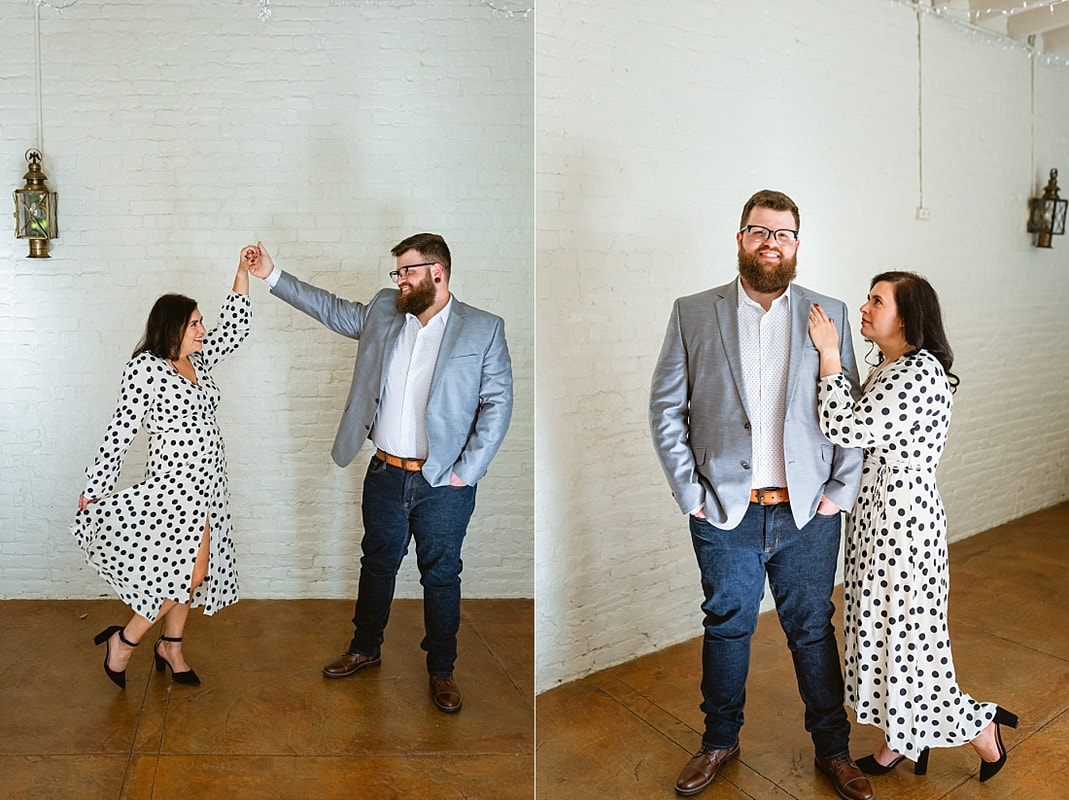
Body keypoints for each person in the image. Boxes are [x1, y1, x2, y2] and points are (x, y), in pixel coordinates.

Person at [649, 189, 873, 800]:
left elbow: (848, 410)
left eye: (782, 233)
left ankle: (834, 749)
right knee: (727, 626)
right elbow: (666, 407)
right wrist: (689, 493)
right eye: (758, 231)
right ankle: (718, 739)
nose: (770, 242)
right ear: (740, 238)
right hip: (724, 510)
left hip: (808, 511)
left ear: (797, 245)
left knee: (811, 628)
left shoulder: (826, 312)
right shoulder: (693, 311)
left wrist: (838, 492)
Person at [244, 233, 513, 713]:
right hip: (386, 473)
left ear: (438, 272)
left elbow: (497, 404)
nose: (400, 281)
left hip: (444, 483)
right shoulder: (386, 310)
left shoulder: (484, 329)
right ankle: (365, 648)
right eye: (397, 273)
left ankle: (441, 669)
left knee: (442, 575)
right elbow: (329, 309)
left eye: (407, 271)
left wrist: (465, 473)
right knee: (377, 563)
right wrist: (272, 274)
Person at [807, 271, 1018, 783]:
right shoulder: (891, 366)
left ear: (907, 316)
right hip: (877, 516)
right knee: (883, 636)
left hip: (904, 522)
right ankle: (900, 740)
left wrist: (830, 356)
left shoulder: (918, 372)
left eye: (877, 301)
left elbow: (845, 426)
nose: (864, 307)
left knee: (910, 641)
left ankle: (979, 726)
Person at [72, 248, 255, 689]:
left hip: (208, 487)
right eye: (195, 323)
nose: (203, 329)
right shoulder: (145, 370)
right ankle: (125, 641)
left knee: (194, 572)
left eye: (200, 322)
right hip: (173, 491)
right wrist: (95, 488)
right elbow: (120, 432)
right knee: (184, 573)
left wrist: (241, 272)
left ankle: (171, 646)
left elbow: (236, 327)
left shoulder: (197, 360)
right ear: (172, 326)